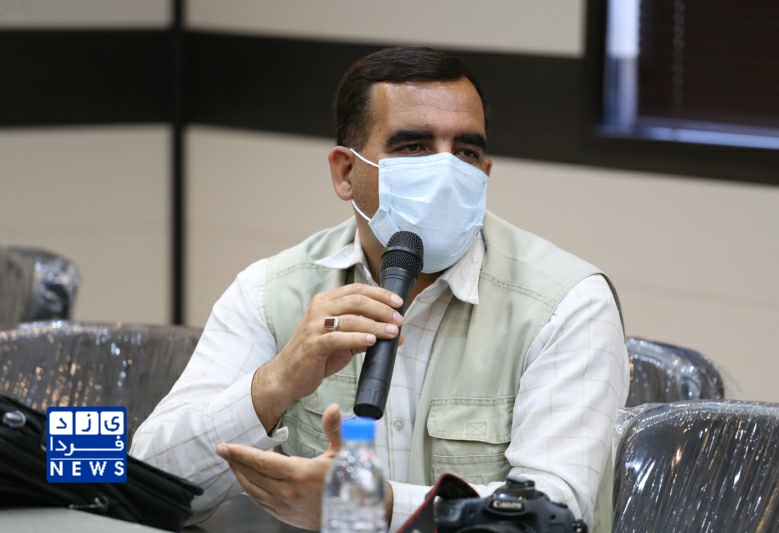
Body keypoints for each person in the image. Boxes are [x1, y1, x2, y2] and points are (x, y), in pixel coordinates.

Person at [131, 46, 628, 533]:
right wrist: (275, 382)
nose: (447, 172)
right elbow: (145, 485)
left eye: (466, 152)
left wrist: (372, 505)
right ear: (346, 173)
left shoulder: (568, 303)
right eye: (414, 147)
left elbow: (554, 515)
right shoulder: (269, 290)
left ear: (484, 173)